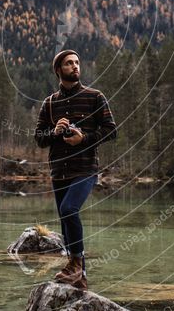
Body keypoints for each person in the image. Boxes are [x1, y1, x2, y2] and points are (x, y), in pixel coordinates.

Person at [34, 49, 118, 291]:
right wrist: (55, 132)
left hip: (85, 168)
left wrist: (84, 138)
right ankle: (80, 280)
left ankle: (76, 263)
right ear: (58, 70)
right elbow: (39, 138)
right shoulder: (49, 103)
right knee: (64, 218)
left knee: (69, 209)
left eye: (77, 62)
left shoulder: (95, 97)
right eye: (69, 63)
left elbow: (111, 130)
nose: (75, 66)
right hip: (59, 170)